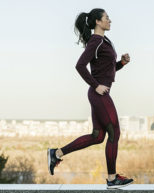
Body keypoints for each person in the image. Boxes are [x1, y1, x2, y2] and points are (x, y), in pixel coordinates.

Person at [47, 8, 133, 189]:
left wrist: (122, 63)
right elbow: (79, 66)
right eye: (107, 18)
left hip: (99, 93)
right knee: (114, 133)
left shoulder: (104, 40)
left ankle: (57, 153)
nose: (110, 21)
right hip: (98, 94)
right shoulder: (95, 40)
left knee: (98, 136)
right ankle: (111, 178)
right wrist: (96, 86)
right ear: (98, 22)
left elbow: (106, 70)